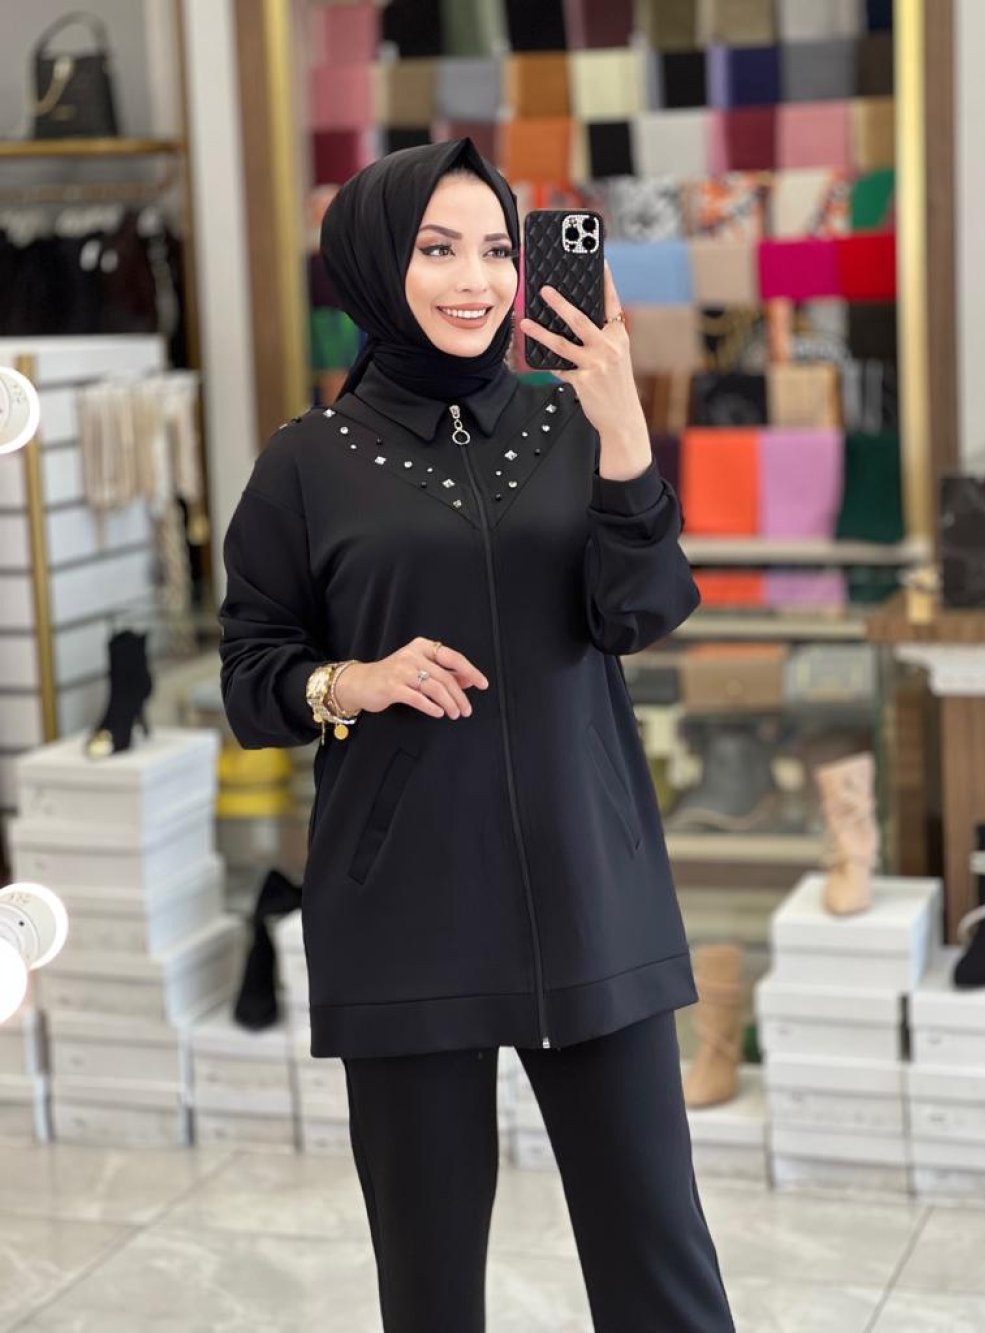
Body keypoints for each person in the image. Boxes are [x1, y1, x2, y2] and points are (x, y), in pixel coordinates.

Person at [218, 138, 734, 1333]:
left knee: (662, 1267)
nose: (478, 280)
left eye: (499, 250)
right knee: (431, 1286)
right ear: (372, 264)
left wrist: (624, 432)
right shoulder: (306, 463)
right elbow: (251, 676)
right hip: (404, 907)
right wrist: (352, 679)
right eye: (437, 248)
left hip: (590, 889)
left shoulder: (573, 421)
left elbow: (640, 613)